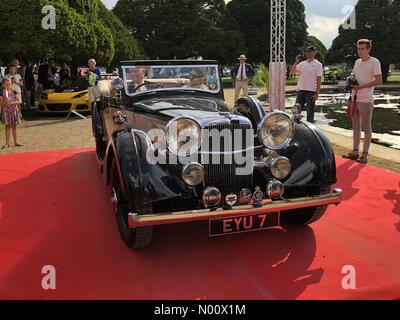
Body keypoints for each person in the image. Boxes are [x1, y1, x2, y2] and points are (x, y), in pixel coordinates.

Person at [342, 39, 382, 164]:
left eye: (362, 49)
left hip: (366, 100)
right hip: (354, 98)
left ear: (369, 49)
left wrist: (361, 87)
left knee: (366, 127)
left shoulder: (374, 62)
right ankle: (355, 152)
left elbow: (379, 81)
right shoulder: (357, 62)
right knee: (355, 127)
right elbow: (354, 76)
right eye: (358, 49)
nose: (360, 51)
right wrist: (350, 80)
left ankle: (364, 155)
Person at [289, 46, 323, 123]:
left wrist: (317, 93)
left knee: (310, 112)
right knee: (296, 112)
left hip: (311, 92)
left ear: (314, 53)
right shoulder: (302, 63)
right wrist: (296, 62)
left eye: (309, 51)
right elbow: (291, 72)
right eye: (306, 51)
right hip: (301, 91)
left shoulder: (318, 64)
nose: (307, 53)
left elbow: (319, 79)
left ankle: (310, 130)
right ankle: (296, 127)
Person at [0, 78, 22, 149]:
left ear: (11, 84)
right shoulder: (1, 93)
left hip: (13, 111)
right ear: (3, 85)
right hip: (6, 112)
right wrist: (5, 103)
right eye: (6, 84)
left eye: (9, 84)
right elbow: (1, 103)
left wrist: (12, 102)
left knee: (14, 127)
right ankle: (7, 143)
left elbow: (19, 101)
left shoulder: (14, 92)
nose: (8, 86)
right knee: (7, 127)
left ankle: (16, 142)